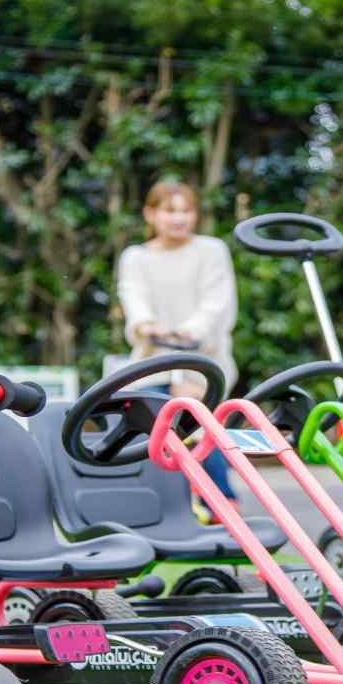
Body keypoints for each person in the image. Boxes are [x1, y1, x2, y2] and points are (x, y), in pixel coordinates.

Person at [115, 179, 239, 500]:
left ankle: (222, 503)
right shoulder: (136, 257)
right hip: (152, 364)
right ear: (150, 214)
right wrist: (146, 324)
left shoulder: (211, 251)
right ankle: (163, 503)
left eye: (187, 211)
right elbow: (133, 296)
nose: (179, 218)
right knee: (147, 425)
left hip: (202, 362)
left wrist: (190, 332)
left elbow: (216, 304)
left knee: (196, 423)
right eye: (170, 211)